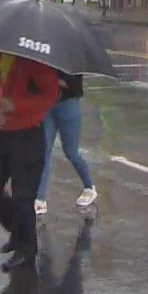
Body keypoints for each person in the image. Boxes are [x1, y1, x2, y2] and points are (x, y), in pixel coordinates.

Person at [0, 52, 62, 271]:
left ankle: (27, 249)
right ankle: (19, 233)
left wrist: (16, 106)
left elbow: (50, 96)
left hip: (27, 135)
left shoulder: (36, 61)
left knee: (23, 196)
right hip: (1, 133)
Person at [35, 71, 96, 215]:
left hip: (68, 107)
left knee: (71, 152)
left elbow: (76, 88)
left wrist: (56, 81)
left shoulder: (70, 60)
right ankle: (40, 199)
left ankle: (89, 187)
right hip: (46, 106)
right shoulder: (43, 57)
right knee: (44, 152)